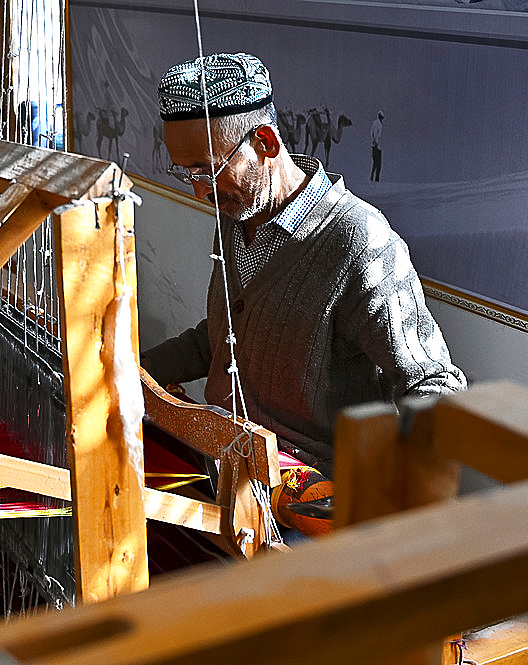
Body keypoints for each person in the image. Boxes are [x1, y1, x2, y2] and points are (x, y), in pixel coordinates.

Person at [142, 53, 466, 475]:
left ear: (266, 143)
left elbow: (435, 387)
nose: (200, 192)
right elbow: (225, 338)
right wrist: (132, 368)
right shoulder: (234, 216)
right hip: (225, 469)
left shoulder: (358, 242)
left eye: (208, 169)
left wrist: (366, 494)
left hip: (306, 504)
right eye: (186, 173)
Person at [370, 110, 384, 182]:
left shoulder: (375, 123)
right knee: (377, 163)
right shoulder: (377, 124)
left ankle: (373, 177)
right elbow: (375, 134)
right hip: (376, 146)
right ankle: (375, 179)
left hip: (376, 146)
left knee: (375, 163)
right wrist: (376, 143)